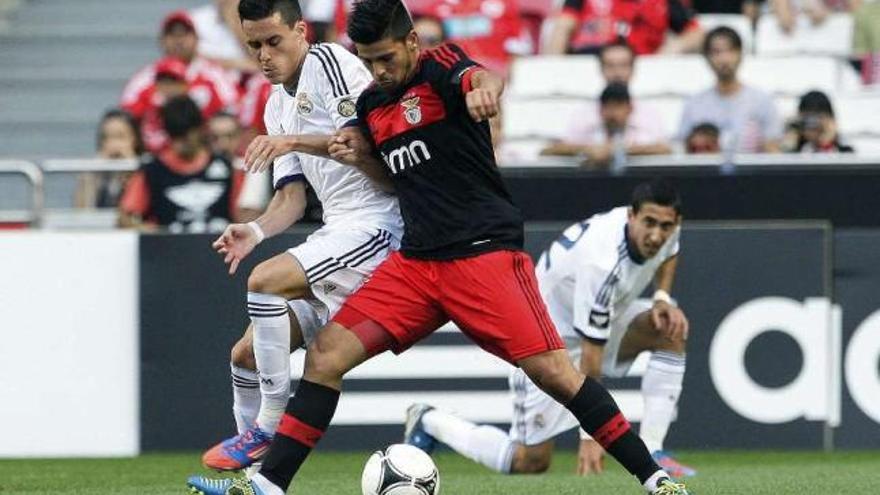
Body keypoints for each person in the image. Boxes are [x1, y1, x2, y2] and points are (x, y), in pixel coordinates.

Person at [187, 1, 690, 494]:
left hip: (483, 255)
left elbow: (482, 78)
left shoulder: (442, 66)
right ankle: (269, 486)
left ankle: (655, 479)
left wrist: (484, 94)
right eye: (368, 61)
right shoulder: (371, 104)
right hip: (417, 265)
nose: (379, 70)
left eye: (386, 57)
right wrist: (345, 154)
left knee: (555, 374)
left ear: (410, 41)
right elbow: (378, 168)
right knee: (324, 357)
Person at [192, 0, 402, 475]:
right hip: (339, 230)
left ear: (301, 31)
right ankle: (253, 481)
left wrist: (290, 142)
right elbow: (290, 199)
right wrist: (255, 229)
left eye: (273, 41)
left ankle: (269, 425)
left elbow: (360, 143)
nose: (264, 55)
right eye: (254, 45)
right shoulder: (275, 103)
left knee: (265, 282)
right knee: (245, 355)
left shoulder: (328, 63)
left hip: (380, 222)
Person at [405, 179, 696, 479]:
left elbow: (670, 252)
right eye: (649, 223)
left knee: (669, 330)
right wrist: (593, 435)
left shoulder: (665, 229)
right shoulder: (602, 263)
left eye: (665, 226)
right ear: (631, 216)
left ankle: (653, 451)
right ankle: (431, 421)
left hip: (599, 319)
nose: (656, 235)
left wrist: (661, 297)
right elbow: (591, 360)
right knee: (531, 461)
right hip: (545, 340)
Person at [118, 95, 243, 232]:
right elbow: (125, 218)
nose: (180, 143)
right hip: (169, 249)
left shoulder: (226, 167)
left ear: (199, 130)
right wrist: (152, 233)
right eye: (175, 136)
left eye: (186, 135)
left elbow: (243, 215)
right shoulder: (152, 170)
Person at [121, 10, 238, 153]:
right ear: (162, 40)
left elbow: (233, 114)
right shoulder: (144, 79)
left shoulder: (216, 77)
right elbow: (126, 119)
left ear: (196, 39)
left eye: (184, 34)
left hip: (204, 159)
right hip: (155, 160)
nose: (179, 40)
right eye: (172, 34)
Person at [678, 26, 783, 153]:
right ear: (706, 58)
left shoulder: (761, 101)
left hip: (752, 172)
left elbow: (773, 151)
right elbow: (684, 151)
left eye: (730, 50)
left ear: (740, 54)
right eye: (717, 52)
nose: (724, 59)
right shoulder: (694, 104)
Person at [541, 83, 671, 169]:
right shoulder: (589, 130)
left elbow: (665, 150)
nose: (612, 113)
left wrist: (617, 149)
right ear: (600, 110)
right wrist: (588, 150)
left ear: (630, 109)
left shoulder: (642, 130)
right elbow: (548, 150)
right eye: (608, 107)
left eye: (618, 107)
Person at [543, 0, 703, 55]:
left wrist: (672, 49)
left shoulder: (663, 2)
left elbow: (697, 33)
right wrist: (554, 70)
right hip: (587, 66)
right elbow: (562, 27)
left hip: (639, 71)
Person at [74, 109, 143, 208]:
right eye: (106, 137)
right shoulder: (92, 172)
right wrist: (93, 173)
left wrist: (130, 170)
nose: (113, 144)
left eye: (120, 136)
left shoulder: (146, 171)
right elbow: (81, 211)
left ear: (135, 139)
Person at [784, 90, 854, 153]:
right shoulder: (795, 150)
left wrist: (826, 141)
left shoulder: (845, 152)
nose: (812, 123)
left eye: (818, 117)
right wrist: (790, 142)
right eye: (808, 118)